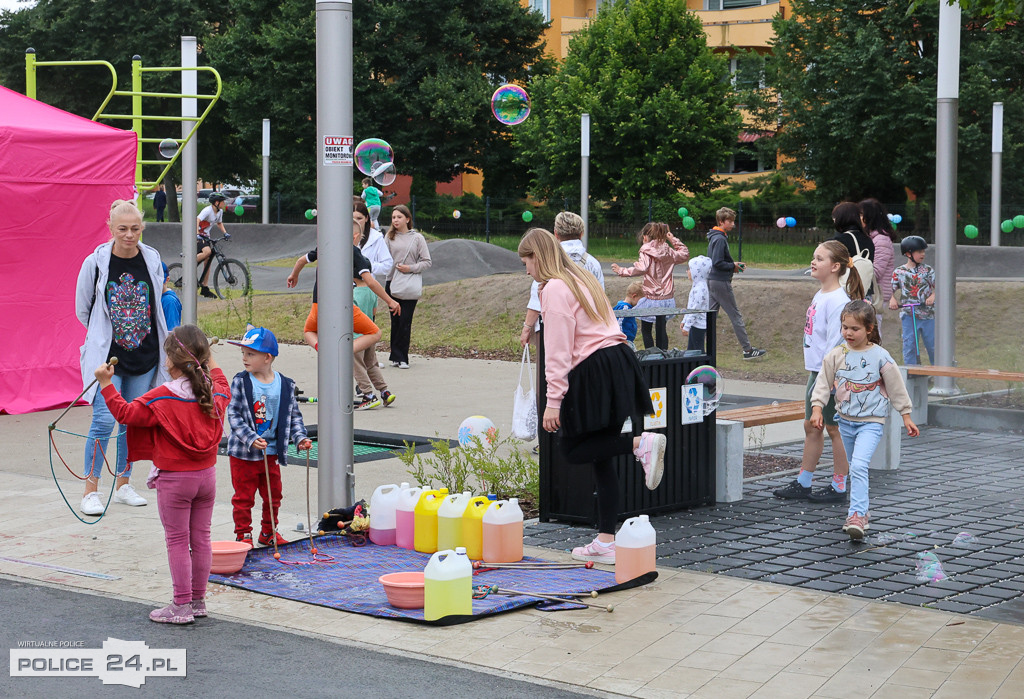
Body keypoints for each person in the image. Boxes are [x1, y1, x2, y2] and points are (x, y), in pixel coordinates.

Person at [518, 228, 665, 565]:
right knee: (602, 456)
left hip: (592, 368)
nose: (526, 270)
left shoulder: (555, 288)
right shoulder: (580, 276)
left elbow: (557, 349)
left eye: (526, 261)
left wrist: (552, 401)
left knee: (571, 447)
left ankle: (638, 444)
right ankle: (606, 540)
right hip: (618, 361)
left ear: (538, 257)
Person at [93, 325, 228, 624]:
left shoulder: (162, 395)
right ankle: (197, 601)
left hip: (175, 480)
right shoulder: (211, 390)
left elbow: (126, 414)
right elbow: (222, 381)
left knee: (177, 541)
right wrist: (208, 356)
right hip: (207, 476)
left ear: (171, 360)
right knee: (201, 538)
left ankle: (180, 607)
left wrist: (106, 384)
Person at [75, 199, 170, 516]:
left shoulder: (152, 258)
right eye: (122, 229)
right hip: (109, 360)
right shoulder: (96, 262)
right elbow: (83, 309)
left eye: (135, 228)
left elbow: (156, 303)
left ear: (142, 227)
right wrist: (104, 336)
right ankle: (91, 489)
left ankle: (124, 483)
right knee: (103, 420)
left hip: (145, 355)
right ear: (111, 228)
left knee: (133, 421)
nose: (129, 235)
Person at [811, 300, 919, 539]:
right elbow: (822, 382)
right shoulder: (836, 355)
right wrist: (817, 408)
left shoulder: (880, 356)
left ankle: (857, 514)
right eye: (845, 327)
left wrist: (906, 415)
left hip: (871, 423)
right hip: (845, 422)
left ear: (869, 329)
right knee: (854, 467)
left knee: (859, 466)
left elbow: (896, 387)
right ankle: (861, 513)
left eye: (855, 329)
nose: (848, 333)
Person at [774, 240, 863, 503]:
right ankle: (804, 481)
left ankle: (838, 485)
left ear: (835, 266)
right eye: (814, 257)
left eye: (820, 259)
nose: (813, 262)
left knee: (835, 429)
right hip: (817, 372)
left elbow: (838, 345)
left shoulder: (838, 301)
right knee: (812, 426)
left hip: (831, 376)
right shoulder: (821, 295)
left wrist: (830, 381)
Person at [225, 326, 312, 546]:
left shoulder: (285, 385)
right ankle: (243, 534)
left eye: (250, 354)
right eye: (243, 353)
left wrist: (300, 437)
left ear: (268, 357)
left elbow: (294, 417)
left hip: (271, 453)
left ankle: (269, 532)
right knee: (244, 497)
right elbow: (233, 415)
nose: (244, 358)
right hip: (244, 454)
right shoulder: (241, 381)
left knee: (273, 495)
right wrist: (251, 437)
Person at [521, 211, 604, 348]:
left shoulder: (549, 261)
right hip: (585, 330)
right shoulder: (592, 263)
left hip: (551, 328)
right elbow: (600, 296)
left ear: (555, 234)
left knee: (549, 366)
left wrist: (527, 327)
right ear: (581, 234)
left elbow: (537, 301)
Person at [611, 222, 689, 350]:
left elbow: (642, 268)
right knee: (661, 329)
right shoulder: (668, 250)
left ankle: (650, 356)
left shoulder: (646, 250)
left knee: (646, 329)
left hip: (652, 298)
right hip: (667, 299)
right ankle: (663, 356)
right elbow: (684, 254)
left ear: (646, 237)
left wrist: (622, 270)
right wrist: (672, 239)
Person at [349, 217, 401, 409]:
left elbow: (351, 316)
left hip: (356, 336)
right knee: (371, 363)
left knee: (356, 363)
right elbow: (372, 313)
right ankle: (385, 391)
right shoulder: (370, 293)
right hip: (370, 333)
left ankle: (368, 394)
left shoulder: (353, 293)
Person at [707, 207, 767, 359]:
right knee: (736, 316)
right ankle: (747, 350)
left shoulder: (715, 236)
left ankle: (703, 348)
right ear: (721, 222)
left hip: (713, 280)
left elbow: (717, 261)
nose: (733, 224)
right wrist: (732, 266)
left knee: (710, 317)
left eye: (733, 221)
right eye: (730, 221)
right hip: (720, 282)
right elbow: (717, 262)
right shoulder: (719, 238)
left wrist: (732, 265)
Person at [385, 204, 431, 368]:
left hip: (410, 284)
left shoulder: (417, 238)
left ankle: (403, 357)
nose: (395, 220)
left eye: (399, 217)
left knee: (405, 320)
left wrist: (410, 268)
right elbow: (385, 260)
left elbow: (427, 262)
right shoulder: (389, 237)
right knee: (395, 321)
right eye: (393, 217)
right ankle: (395, 356)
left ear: (407, 219)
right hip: (392, 284)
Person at [890, 236, 936, 365]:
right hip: (909, 315)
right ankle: (911, 374)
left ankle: (939, 373)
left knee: (933, 346)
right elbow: (890, 291)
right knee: (910, 345)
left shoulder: (928, 271)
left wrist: (933, 296)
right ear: (908, 253)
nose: (923, 254)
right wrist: (892, 299)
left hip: (928, 315)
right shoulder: (899, 272)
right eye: (919, 251)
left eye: (923, 251)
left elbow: (939, 287)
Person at [860, 198, 898, 333]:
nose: (858, 218)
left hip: (876, 295)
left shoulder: (881, 240)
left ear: (869, 217)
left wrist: (854, 268)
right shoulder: (871, 238)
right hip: (870, 294)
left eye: (861, 214)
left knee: (873, 334)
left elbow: (876, 272)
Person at [196, 193, 228, 298]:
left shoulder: (220, 212)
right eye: (223, 201)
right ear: (216, 203)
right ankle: (189, 264)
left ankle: (204, 288)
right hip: (198, 236)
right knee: (207, 252)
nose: (224, 203)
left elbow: (219, 223)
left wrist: (225, 233)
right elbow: (197, 220)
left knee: (208, 260)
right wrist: (196, 234)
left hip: (206, 237)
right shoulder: (207, 211)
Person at [681, 255, 712, 352]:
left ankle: (703, 366)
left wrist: (687, 326)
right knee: (691, 350)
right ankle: (692, 366)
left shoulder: (700, 288)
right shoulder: (696, 286)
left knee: (698, 351)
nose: (687, 271)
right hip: (694, 324)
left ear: (697, 272)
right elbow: (690, 306)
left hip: (698, 325)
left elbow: (695, 309)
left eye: (689, 269)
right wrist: (685, 320)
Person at [613, 281, 643, 346]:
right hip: (623, 341)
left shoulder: (629, 308)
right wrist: (620, 338)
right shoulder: (625, 308)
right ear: (634, 296)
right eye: (641, 300)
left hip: (628, 340)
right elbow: (619, 323)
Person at [161, 262, 182, 331]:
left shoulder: (169, 301)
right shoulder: (155, 297)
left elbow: (172, 332)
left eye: (159, 281)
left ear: (167, 279)